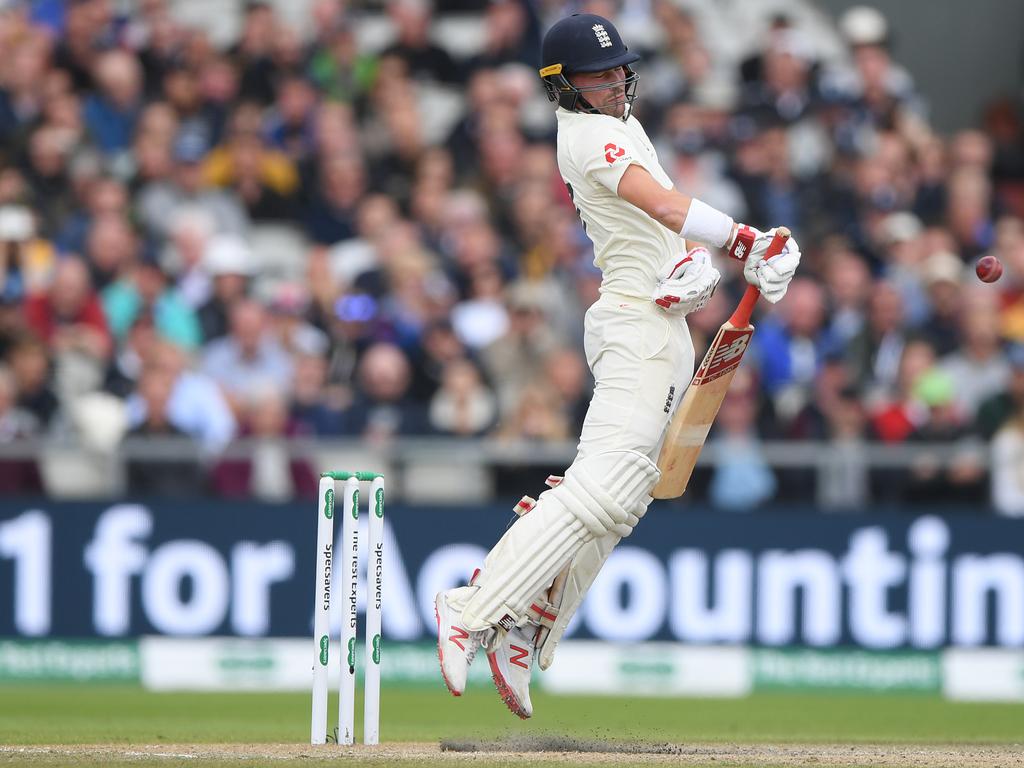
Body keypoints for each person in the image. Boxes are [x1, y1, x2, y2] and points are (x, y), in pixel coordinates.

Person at [434, 13, 801, 719]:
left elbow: (662, 231)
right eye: (597, 76)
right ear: (563, 87)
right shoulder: (588, 134)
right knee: (601, 488)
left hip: (662, 327)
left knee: (626, 499)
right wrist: (744, 238)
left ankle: (528, 625)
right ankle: (472, 606)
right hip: (635, 326)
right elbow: (664, 204)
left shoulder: (620, 125)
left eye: (617, 71)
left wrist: (723, 261)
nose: (613, 83)